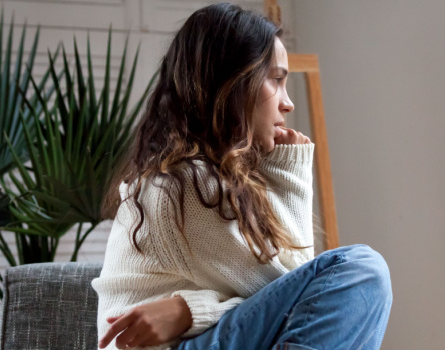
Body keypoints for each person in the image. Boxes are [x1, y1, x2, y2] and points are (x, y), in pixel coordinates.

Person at [91, 3, 393, 349]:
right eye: (276, 81)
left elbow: (300, 302)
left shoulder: (204, 178)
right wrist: (291, 169)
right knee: (362, 270)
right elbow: (305, 290)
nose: (288, 103)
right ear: (233, 84)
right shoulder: (184, 185)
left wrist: (186, 311)